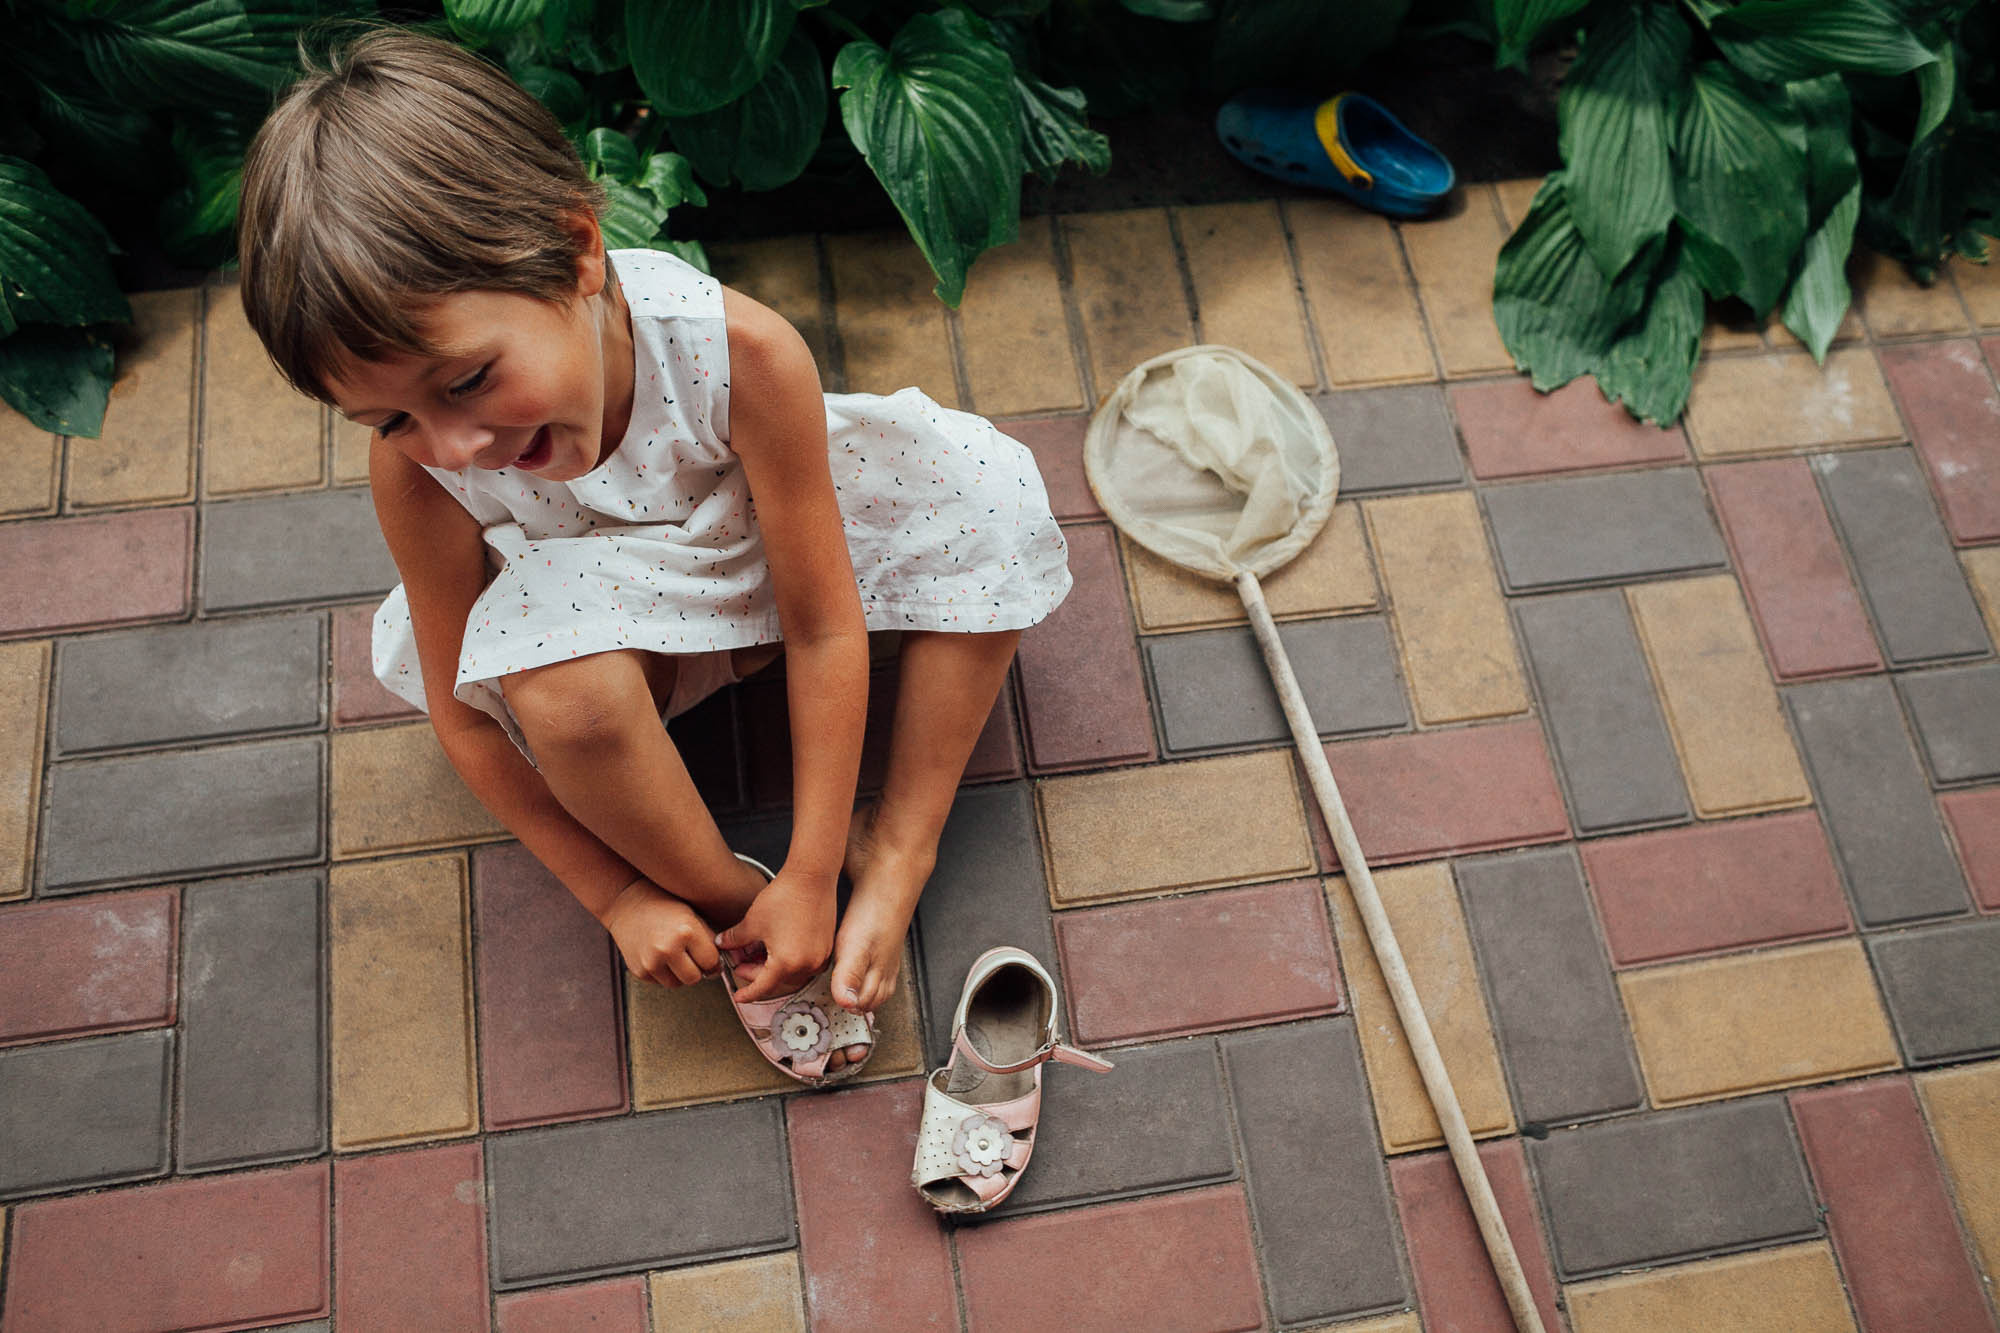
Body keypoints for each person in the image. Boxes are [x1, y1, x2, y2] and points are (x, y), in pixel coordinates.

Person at [235, 28, 1071, 1083]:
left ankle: (896, 846)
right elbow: (462, 717)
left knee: (984, 487)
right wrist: (620, 894)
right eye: (390, 419)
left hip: (763, 552)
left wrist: (817, 867)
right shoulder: (419, 474)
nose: (453, 444)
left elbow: (822, 622)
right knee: (560, 696)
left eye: (467, 380)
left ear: (579, 249)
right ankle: (736, 908)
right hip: (614, 609)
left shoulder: (740, 351)